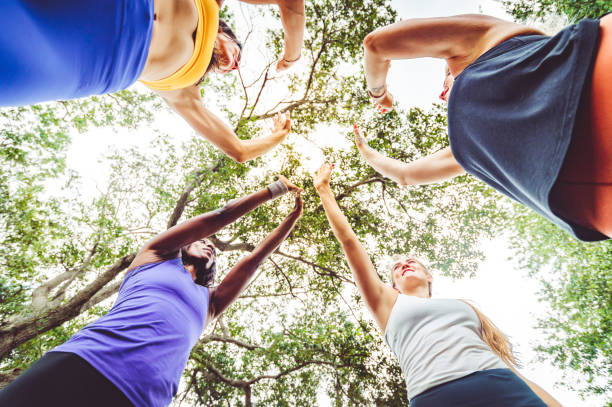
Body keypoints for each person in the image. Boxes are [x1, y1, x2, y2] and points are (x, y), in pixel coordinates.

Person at [0, 177, 303, 407]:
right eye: (205, 241)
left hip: (142, 398)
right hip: (86, 360)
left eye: (214, 249)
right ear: (185, 245)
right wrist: (275, 189)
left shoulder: (210, 302)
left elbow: (253, 261)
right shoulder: (155, 255)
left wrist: (292, 218)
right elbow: (219, 216)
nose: (210, 244)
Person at [313, 162, 563, 406]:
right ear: (394, 285)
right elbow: (349, 242)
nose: (404, 264)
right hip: (432, 395)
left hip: (499, 382)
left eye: (412, 261)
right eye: (397, 268)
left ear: (429, 276)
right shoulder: (387, 303)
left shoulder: (463, 307)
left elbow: (509, 368)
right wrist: (324, 190)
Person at [359, 13, 612, 241]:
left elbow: (376, 45)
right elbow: (406, 175)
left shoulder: (485, 39)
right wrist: (365, 151)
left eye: (445, 80)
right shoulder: (472, 149)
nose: (443, 93)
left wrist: (378, 93)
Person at [0, 0, 305, 162]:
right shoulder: (209, 4)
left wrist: (277, 138)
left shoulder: (184, 88)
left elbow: (238, 150)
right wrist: (291, 58)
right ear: (226, 32)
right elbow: (289, 3)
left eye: (231, 70)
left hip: (88, 63)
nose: (233, 65)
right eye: (238, 54)